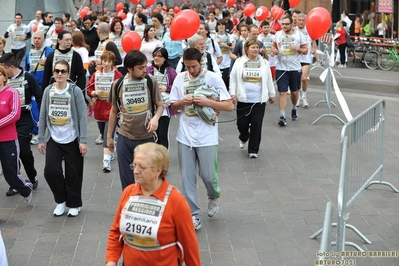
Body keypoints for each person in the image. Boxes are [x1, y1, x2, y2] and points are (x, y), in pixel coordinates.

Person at [105, 142, 201, 266]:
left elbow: (189, 246)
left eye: (142, 167)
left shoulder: (176, 201)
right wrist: (111, 261)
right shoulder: (128, 193)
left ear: (158, 170)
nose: (135, 171)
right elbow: (116, 231)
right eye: (134, 165)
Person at [169, 48, 234, 230]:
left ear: (201, 62)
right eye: (188, 67)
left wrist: (207, 103)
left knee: (208, 176)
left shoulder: (213, 78)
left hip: (207, 136)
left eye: (194, 66)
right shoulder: (180, 79)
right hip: (185, 136)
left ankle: (213, 195)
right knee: (187, 177)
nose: (191, 70)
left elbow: (228, 105)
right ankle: (193, 214)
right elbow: (173, 105)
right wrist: (183, 101)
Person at [37, 60, 88, 217]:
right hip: (54, 137)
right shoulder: (48, 91)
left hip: (72, 137)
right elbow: (43, 114)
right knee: (50, 171)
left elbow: (82, 116)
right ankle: (61, 200)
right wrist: (40, 138)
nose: (59, 74)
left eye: (63, 71)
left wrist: (83, 140)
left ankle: (74, 204)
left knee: (74, 173)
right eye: (57, 71)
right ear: (53, 73)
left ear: (68, 73)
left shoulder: (75, 91)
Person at [107, 50, 163, 190]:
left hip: (146, 137)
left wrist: (155, 118)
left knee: (148, 180)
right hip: (125, 137)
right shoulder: (117, 84)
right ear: (129, 68)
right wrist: (109, 137)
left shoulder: (151, 81)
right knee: (127, 182)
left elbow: (160, 106)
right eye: (140, 68)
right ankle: (129, 208)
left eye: (145, 66)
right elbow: (114, 111)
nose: (145, 70)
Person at [0, 52, 41, 196]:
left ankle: (32, 175)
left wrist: (41, 116)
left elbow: (39, 95)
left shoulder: (28, 77)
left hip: (24, 118)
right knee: (11, 154)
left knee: (23, 150)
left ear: (10, 67)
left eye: (3, 68)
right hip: (7, 121)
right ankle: (15, 182)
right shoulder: (5, 81)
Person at [230, 39, 275, 158]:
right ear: (246, 49)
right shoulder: (239, 62)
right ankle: (244, 136)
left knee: (256, 123)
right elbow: (233, 78)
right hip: (243, 99)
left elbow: (269, 79)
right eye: (253, 47)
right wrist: (232, 93)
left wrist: (272, 94)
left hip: (258, 100)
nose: (255, 49)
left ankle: (253, 150)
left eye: (257, 47)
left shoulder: (264, 62)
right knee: (242, 124)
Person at [0, 65, 33, 204]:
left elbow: (15, 114)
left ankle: (26, 189)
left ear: (4, 77)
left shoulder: (11, 92)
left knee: (11, 175)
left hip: (8, 140)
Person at [87, 51, 123, 172]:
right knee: (103, 134)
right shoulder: (96, 74)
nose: (106, 64)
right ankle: (111, 147)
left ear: (113, 63)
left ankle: (106, 161)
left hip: (112, 108)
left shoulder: (117, 74)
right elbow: (89, 88)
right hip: (99, 108)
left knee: (108, 133)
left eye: (109, 61)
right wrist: (94, 93)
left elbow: (122, 88)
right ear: (101, 61)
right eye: (105, 61)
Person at [271, 15, 307, 126]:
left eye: (287, 24)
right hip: (281, 68)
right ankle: (282, 116)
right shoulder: (277, 34)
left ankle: (294, 107)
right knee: (282, 92)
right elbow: (273, 46)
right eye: (283, 24)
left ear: (292, 24)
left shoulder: (299, 35)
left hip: (295, 68)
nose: (284, 26)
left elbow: (305, 50)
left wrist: (296, 48)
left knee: (294, 92)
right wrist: (275, 51)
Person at [146, 47, 178, 149]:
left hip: (164, 107)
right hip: (150, 107)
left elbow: (178, 87)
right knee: (150, 134)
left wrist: (166, 88)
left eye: (159, 56)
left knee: (162, 135)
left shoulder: (171, 72)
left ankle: (163, 159)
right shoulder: (147, 70)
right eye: (155, 55)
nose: (156, 58)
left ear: (165, 58)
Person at [41, 31, 86, 96]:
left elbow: (81, 76)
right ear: (59, 40)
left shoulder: (76, 56)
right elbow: (46, 76)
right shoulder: (51, 56)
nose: (69, 42)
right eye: (66, 40)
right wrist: (44, 94)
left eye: (70, 39)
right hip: (54, 89)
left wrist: (80, 93)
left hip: (71, 90)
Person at [295, 13, 316, 108]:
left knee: (304, 78)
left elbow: (313, 41)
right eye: (299, 20)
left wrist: (314, 48)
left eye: (303, 20)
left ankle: (304, 97)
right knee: (297, 79)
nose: (301, 22)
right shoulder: (294, 31)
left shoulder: (309, 30)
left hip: (306, 58)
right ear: (296, 20)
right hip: (295, 58)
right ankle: (298, 97)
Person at [215, 20, 235, 90]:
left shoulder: (228, 36)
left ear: (225, 26)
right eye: (219, 25)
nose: (221, 26)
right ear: (217, 26)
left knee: (226, 81)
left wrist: (225, 45)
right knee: (218, 80)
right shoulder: (213, 36)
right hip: (217, 62)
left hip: (227, 62)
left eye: (223, 25)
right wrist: (216, 43)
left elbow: (233, 47)